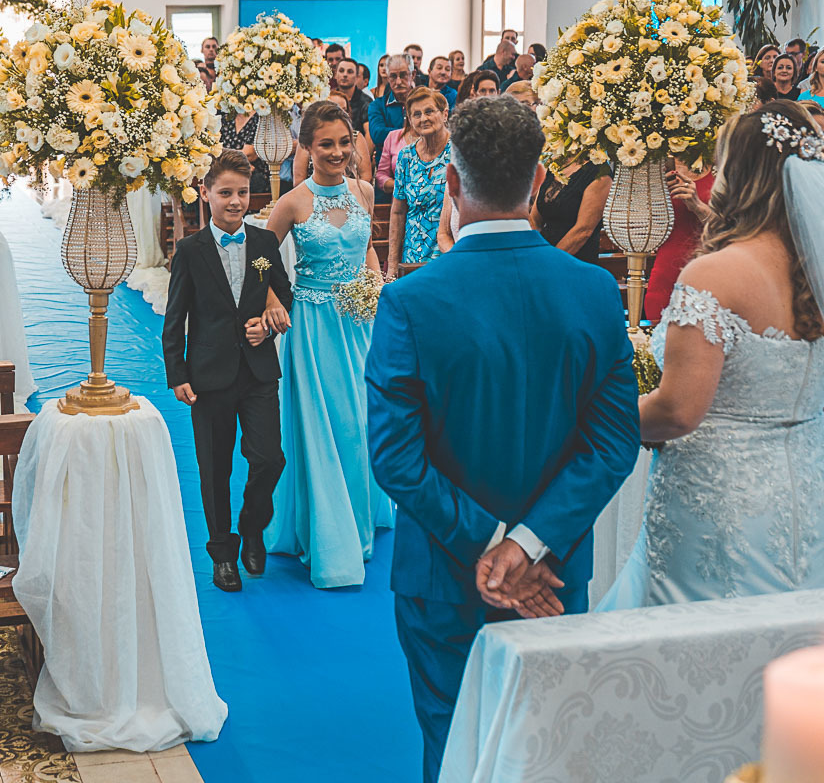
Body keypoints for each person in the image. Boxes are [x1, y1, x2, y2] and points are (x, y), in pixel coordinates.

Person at [366, 95, 639, 781]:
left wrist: (492, 547)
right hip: (553, 572)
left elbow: (395, 460)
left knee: (453, 748)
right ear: (541, 178)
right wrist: (528, 545)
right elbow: (613, 443)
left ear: (452, 183)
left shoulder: (409, 300)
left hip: (445, 577)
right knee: (543, 749)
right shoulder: (593, 291)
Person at [600, 101, 824, 610]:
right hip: (810, 497)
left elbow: (677, 411)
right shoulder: (816, 267)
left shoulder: (717, 274)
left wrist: (595, 415)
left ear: (738, 175)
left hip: (721, 507)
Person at [262, 101, 394, 589]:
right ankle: (327, 532)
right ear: (307, 147)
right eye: (326, 144)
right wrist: (275, 297)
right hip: (313, 329)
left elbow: (369, 248)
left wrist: (375, 283)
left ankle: (360, 514)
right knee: (327, 422)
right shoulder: (294, 201)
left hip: (358, 324)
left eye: (344, 142)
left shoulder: (363, 191)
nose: (337, 151)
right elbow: (261, 259)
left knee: (360, 422)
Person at [162, 149, 292, 592]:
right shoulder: (190, 251)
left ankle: (253, 525)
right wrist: (177, 374)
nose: (236, 202)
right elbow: (174, 317)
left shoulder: (264, 244)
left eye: (242, 193)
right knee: (214, 467)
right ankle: (222, 552)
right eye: (225, 193)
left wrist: (267, 326)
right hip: (208, 375)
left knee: (270, 458)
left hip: (258, 372)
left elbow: (283, 294)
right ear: (206, 193)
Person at [388, 87, 451, 276]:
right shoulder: (406, 156)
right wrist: (392, 264)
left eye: (429, 111)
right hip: (413, 257)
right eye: (416, 114)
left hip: (448, 255)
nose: (423, 118)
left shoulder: (460, 152)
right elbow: (398, 211)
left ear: (445, 114)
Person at [644, 160, 714, 321]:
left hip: (711, 273)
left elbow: (733, 230)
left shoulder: (721, 167)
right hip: (666, 273)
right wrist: (654, 192)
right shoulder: (654, 167)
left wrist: (697, 206)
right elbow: (640, 229)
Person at [530, 153, 611, 263]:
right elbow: (534, 219)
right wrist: (535, 252)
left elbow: (583, 231)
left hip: (575, 260)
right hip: (543, 253)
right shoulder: (556, 165)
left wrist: (550, 260)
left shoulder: (600, 173)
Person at [367, 54, 413, 172]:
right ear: (387, 77)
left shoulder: (425, 103)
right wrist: (413, 132)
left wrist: (393, 133)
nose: (398, 81)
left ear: (412, 75)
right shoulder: (377, 105)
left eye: (403, 75)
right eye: (393, 76)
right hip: (387, 174)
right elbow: (377, 134)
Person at [219, 107, 271, 194]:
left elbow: (249, 154)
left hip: (254, 174)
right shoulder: (226, 115)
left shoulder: (262, 116)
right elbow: (213, 149)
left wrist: (222, 159)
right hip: (226, 171)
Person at [334, 58, 371, 129]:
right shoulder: (328, 97)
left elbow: (368, 132)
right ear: (335, 74)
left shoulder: (366, 102)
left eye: (350, 72)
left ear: (357, 77)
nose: (345, 75)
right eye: (341, 71)